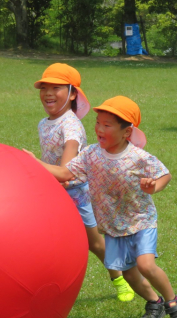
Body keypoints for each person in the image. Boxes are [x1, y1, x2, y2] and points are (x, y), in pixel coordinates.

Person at [28, 96, 177, 318]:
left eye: (107, 125)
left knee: (145, 265)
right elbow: (64, 172)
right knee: (129, 274)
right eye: (98, 123)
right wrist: (34, 163)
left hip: (140, 220)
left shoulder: (137, 157)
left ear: (127, 132)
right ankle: (155, 304)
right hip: (113, 226)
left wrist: (153, 187)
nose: (99, 129)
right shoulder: (90, 155)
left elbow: (164, 174)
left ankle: (174, 303)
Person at [33, 63, 135, 302]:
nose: (48, 92)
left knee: (96, 244)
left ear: (72, 93)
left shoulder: (70, 125)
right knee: (48, 243)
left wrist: (31, 163)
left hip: (75, 193)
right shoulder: (44, 122)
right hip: (52, 190)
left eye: (56, 87)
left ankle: (120, 280)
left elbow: (66, 171)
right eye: (44, 87)